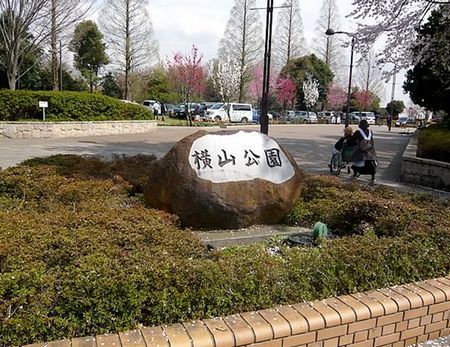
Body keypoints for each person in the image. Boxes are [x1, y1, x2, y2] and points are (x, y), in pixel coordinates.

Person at [349, 119, 378, 184]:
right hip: (371, 151)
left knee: (354, 159)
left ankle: (355, 175)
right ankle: (373, 178)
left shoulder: (358, 132)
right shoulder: (370, 131)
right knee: (372, 163)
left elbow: (351, 140)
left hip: (361, 151)